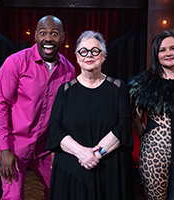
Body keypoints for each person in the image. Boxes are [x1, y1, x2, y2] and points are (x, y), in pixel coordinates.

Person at [0, 15, 75, 200]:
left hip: (45, 146)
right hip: (14, 144)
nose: (48, 38)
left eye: (54, 33)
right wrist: (4, 149)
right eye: (43, 33)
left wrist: (59, 148)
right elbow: (0, 105)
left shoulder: (69, 70)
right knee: (13, 196)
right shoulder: (15, 62)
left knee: (60, 190)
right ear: (36, 36)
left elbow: (65, 113)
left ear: (62, 37)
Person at [46, 30, 135, 200]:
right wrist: (82, 153)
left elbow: (124, 125)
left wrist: (97, 154)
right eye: (84, 51)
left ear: (103, 56)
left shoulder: (118, 87)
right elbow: (55, 129)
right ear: (77, 57)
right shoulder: (64, 91)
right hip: (72, 168)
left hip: (109, 169)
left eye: (95, 51)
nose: (89, 55)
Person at [128, 29, 174, 200]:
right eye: (162, 50)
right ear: (156, 54)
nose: (168, 53)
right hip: (153, 152)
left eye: (173, 48)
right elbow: (135, 117)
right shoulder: (143, 84)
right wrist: (149, 137)